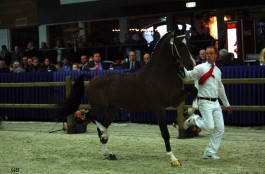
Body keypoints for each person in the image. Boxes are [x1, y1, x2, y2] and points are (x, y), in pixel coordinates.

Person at [183, 46, 232, 160]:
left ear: (216, 55)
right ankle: (194, 119)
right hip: (204, 101)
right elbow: (187, 76)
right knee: (210, 127)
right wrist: (182, 66)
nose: (209, 55)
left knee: (220, 129)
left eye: (211, 53)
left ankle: (209, 152)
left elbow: (220, 88)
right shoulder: (200, 68)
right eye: (207, 53)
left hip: (215, 103)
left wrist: (227, 103)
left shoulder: (218, 71)